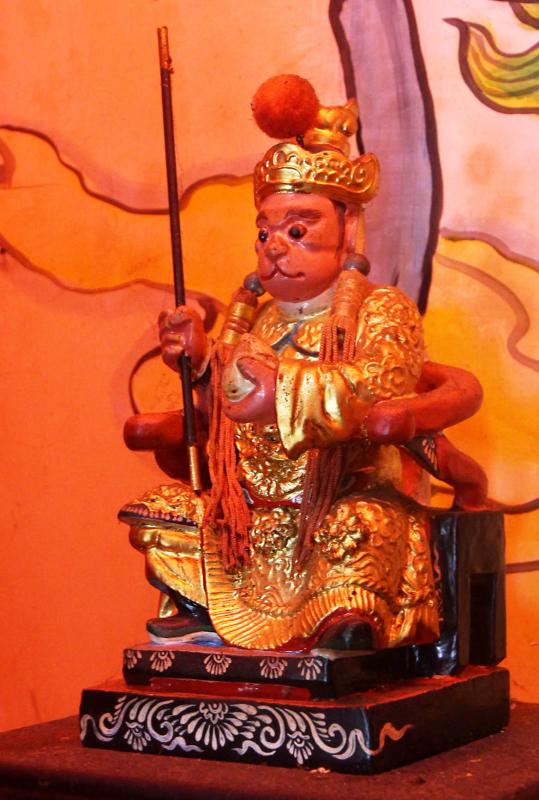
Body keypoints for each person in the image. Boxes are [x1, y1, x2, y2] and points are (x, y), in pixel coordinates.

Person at [121, 75, 487, 652]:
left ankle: (341, 619)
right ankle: (199, 605)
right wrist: (200, 362)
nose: (274, 245)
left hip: (336, 499)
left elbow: (378, 388)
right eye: (264, 232)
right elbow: (228, 406)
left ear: (347, 230)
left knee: (363, 527)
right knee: (165, 510)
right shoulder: (258, 319)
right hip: (248, 516)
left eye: (297, 229)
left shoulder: (381, 309)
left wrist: (285, 390)